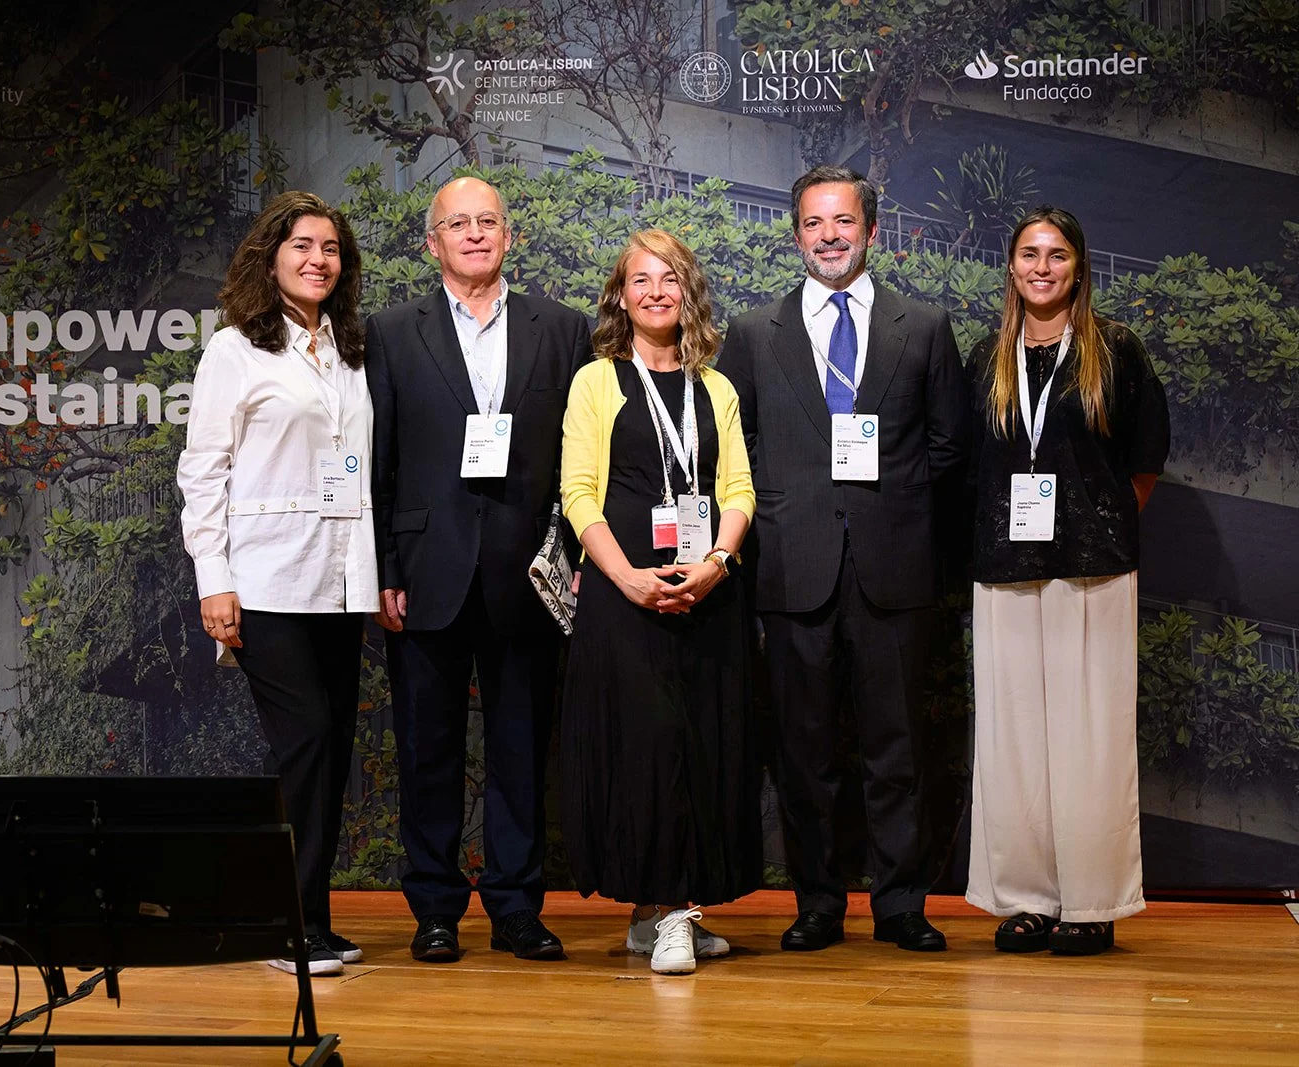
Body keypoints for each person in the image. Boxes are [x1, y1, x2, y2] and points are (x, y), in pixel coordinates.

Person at [716, 164, 971, 953]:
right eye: (814, 223)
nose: (829, 235)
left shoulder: (921, 326)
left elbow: (949, 446)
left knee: (898, 748)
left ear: (871, 229)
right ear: (796, 234)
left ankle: (900, 902)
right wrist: (787, 511)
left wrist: (889, 508)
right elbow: (734, 442)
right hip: (792, 568)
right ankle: (818, 900)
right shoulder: (755, 333)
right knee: (804, 752)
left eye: (843, 221)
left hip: (894, 569)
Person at [366, 176, 593, 963]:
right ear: (433, 243)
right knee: (425, 748)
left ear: (509, 236)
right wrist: (383, 565)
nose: (473, 234)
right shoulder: (390, 332)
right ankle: (433, 908)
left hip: (528, 569)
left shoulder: (561, 329)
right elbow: (381, 460)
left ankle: (516, 905)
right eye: (456, 224)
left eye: (487, 221)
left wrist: (573, 562)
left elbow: (579, 460)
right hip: (424, 569)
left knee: (521, 746)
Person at [177, 191, 375, 977]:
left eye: (330, 248)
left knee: (332, 750)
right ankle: (287, 921)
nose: (317, 259)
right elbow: (203, 471)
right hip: (264, 580)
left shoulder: (351, 349)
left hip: (339, 581)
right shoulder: (233, 350)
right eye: (302, 246)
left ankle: (312, 920)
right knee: (309, 739)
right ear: (271, 258)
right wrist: (213, 580)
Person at [966, 206, 1169, 956]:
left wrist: (1100, 521)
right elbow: (972, 468)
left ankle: (1090, 902)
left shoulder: (1115, 350)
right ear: (1012, 267)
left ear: (1079, 267)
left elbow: (1145, 460)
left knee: (1090, 738)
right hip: (1005, 567)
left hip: (1094, 567)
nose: (1042, 267)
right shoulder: (988, 356)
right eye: (1029, 254)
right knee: (1015, 740)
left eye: (1056, 255)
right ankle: (1028, 901)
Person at [558, 230, 760, 975]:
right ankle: (666, 910)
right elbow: (578, 492)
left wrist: (715, 563)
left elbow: (738, 490)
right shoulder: (595, 381)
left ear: (688, 291)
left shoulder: (717, 387)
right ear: (620, 295)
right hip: (625, 597)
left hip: (706, 594)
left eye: (668, 277)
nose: (654, 290)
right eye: (639, 279)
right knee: (647, 750)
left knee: (698, 746)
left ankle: (665, 911)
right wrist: (626, 577)